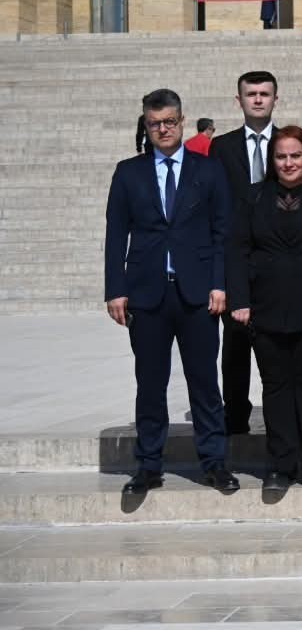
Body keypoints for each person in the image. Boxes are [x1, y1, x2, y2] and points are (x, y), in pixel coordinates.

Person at [104, 89, 237, 495]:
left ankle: (214, 462)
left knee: (204, 382)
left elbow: (222, 232)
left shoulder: (208, 170)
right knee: (150, 382)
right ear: (145, 125)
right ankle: (148, 465)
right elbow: (115, 235)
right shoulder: (128, 172)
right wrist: (115, 289)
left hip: (196, 294)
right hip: (147, 294)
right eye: (155, 123)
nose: (163, 129)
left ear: (182, 121)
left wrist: (219, 283)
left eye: (170, 122)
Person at [227, 126, 302, 495]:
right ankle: (280, 465)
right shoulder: (253, 196)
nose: (288, 162)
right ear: (272, 161)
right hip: (265, 307)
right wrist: (240, 301)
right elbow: (237, 250)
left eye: (295, 155)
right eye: (281, 156)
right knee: (275, 386)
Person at [208, 70, 281, 435]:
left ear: (275, 100)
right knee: (234, 345)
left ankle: (280, 418)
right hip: (236, 259)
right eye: (250, 94)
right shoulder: (222, 147)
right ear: (239, 101)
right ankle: (235, 413)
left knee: (278, 348)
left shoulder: (288, 142)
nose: (257, 100)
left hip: (276, 261)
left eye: (264, 94)